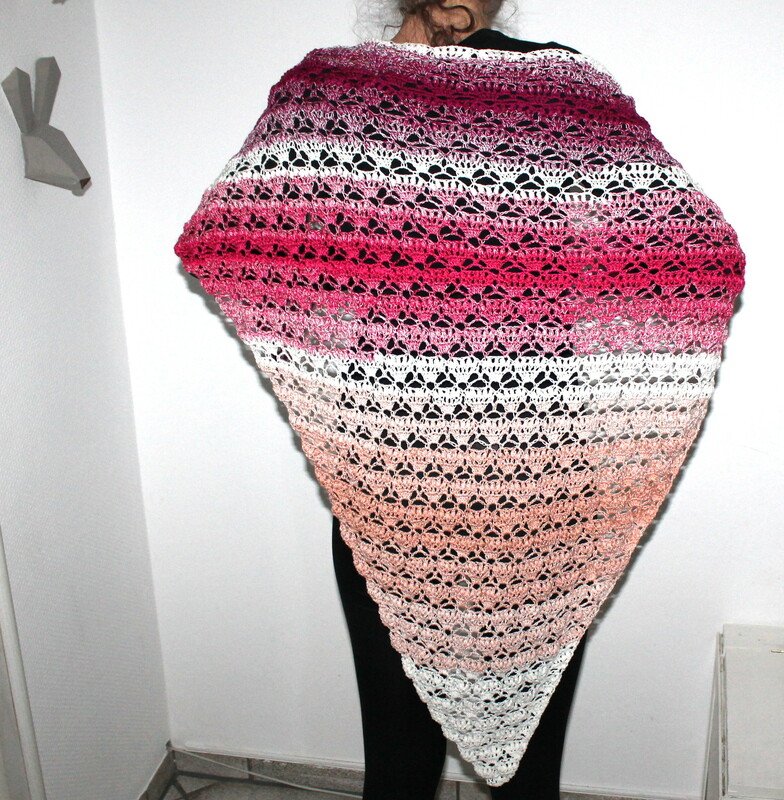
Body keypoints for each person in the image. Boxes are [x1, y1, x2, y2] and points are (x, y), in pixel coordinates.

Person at [333, 2, 587, 798]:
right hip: (438, 479)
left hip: (469, 479)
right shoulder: (340, 97)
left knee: (421, 761)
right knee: (477, 763)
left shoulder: (344, 97)